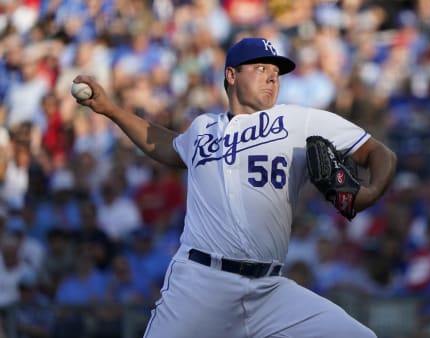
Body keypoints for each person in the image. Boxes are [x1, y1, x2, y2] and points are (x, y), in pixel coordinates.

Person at [72, 37, 397, 338]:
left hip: (269, 290)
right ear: (231, 74)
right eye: (261, 68)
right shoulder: (202, 128)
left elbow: (379, 154)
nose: (272, 77)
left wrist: (369, 193)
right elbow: (165, 145)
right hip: (201, 283)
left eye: (276, 72)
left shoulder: (300, 121)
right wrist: (112, 110)